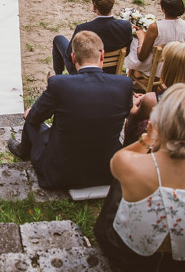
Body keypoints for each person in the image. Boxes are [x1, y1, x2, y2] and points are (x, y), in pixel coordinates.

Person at [94, 84, 185, 272]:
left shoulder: (130, 164)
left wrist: (148, 138)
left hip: (131, 259)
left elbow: (117, 161)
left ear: (159, 120)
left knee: (120, 184)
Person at [7, 31, 134, 189]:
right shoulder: (124, 84)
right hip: (107, 171)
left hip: (61, 174)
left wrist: (30, 112)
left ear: (73, 58)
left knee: (31, 121)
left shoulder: (58, 84)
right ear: (102, 55)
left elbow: (34, 118)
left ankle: (22, 151)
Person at [124, 41, 185, 146]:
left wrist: (133, 103)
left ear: (170, 70)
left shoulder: (153, 100)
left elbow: (135, 116)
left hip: (158, 144)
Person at [52, 0, 132, 75]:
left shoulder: (83, 28)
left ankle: (58, 76)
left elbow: (69, 57)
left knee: (58, 39)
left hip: (83, 72)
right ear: (112, 5)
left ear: (94, 7)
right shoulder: (126, 26)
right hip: (111, 71)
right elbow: (127, 51)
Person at [124, 0, 185, 76]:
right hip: (175, 64)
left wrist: (141, 37)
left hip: (157, 68)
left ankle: (133, 75)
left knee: (133, 41)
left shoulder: (155, 27)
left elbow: (141, 57)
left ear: (163, 10)